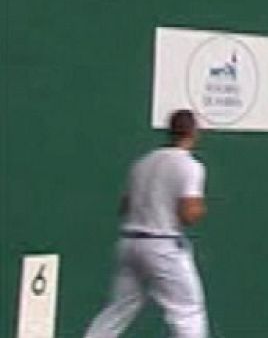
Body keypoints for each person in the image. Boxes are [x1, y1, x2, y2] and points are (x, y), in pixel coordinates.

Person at [84, 110, 210, 338]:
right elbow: (188, 214)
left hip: (130, 243)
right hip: (162, 246)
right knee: (187, 311)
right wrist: (200, 208)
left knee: (118, 310)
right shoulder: (190, 166)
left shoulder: (142, 162)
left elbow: (124, 206)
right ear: (194, 132)